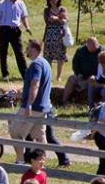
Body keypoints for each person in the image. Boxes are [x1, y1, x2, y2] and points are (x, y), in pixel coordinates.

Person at [16, 38, 67, 167]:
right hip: (43, 108)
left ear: (34, 49)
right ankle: (40, 162)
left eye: (28, 48)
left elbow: (35, 85)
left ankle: (20, 161)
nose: (26, 51)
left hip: (33, 108)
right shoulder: (45, 63)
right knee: (39, 137)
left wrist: (28, 104)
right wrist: (20, 94)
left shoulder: (36, 65)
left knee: (16, 132)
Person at [0, 0, 29, 80]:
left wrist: (27, 27)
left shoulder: (21, 3)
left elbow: (24, 17)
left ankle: (25, 74)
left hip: (16, 31)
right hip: (4, 30)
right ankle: (5, 74)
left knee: (19, 53)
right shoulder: (2, 4)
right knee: (3, 52)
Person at [60, 36, 102, 107]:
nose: (93, 50)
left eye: (95, 48)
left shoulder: (102, 52)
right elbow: (75, 64)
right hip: (82, 76)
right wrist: (78, 73)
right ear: (87, 45)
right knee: (71, 79)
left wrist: (96, 77)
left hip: (95, 78)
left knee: (91, 81)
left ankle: (90, 105)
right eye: (91, 48)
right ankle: (64, 101)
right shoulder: (80, 51)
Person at [42, 0, 71, 80]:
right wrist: (59, 19)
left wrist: (57, 18)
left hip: (60, 35)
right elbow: (48, 21)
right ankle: (48, 75)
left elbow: (65, 21)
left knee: (60, 56)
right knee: (48, 56)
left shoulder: (62, 9)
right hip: (49, 35)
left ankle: (58, 76)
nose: (52, 1)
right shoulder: (46, 10)